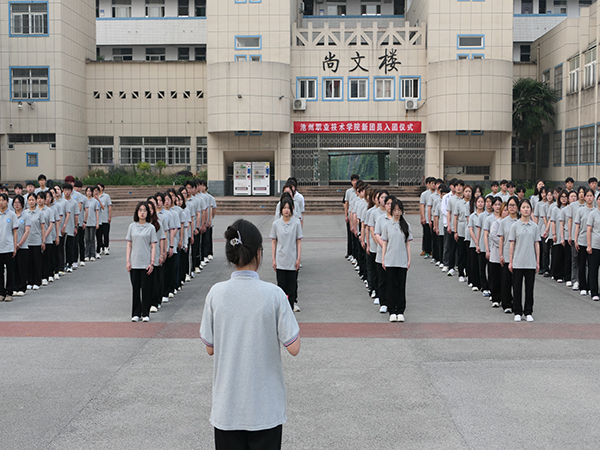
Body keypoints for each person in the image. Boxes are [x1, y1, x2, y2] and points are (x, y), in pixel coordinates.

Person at [200, 219, 300, 450]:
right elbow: (294, 347)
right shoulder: (274, 294)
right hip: (265, 407)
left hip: (228, 406)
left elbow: (209, 347)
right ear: (258, 253)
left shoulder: (216, 294)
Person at [508, 199, 540, 322]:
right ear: (519, 210)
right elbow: (512, 244)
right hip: (518, 261)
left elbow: (537, 244)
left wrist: (537, 261)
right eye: (523, 207)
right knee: (517, 287)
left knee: (529, 288)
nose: (526, 209)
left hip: (530, 261)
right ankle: (517, 311)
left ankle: (528, 311)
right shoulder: (515, 226)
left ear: (531, 210)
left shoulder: (535, 226)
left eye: (528, 207)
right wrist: (510, 261)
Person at [381, 198, 412, 322]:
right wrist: (383, 259)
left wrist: (409, 259)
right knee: (391, 286)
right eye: (395, 210)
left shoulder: (405, 225)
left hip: (402, 260)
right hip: (390, 260)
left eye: (399, 210)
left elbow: (408, 244)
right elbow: (384, 243)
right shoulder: (387, 225)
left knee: (401, 286)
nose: (397, 212)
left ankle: (400, 310)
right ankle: (392, 310)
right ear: (391, 211)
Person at [125, 201, 157, 322]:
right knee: (135, 288)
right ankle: (135, 313)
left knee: (146, 288)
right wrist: (128, 261)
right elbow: (129, 245)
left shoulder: (151, 227)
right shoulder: (132, 226)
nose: (142, 213)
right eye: (140, 210)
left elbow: (153, 246)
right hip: (134, 262)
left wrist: (152, 262)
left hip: (146, 262)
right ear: (137, 212)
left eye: (144, 210)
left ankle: (145, 313)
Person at [270, 196, 303, 311]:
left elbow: (298, 241)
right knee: (281, 286)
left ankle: (291, 307)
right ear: (281, 209)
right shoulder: (276, 224)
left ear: (292, 209)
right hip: (280, 260)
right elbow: (274, 241)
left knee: (292, 287)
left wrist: (298, 258)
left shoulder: (296, 223)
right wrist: (273, 259)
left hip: (292, 260)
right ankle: (281, 309)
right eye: (284, 208)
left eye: (288, 208)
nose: (286, 210)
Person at [498, 196, 520, 313]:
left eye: (514, 205)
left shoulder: (522, 220)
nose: (512, 208)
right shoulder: (503, 222)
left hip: (519, 255)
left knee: (516, 282)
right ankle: (506, 304)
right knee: (506, 281)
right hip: (506, 254)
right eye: (509, 206)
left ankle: (516, 303)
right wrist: (500, 255)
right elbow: (501, 239)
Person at [574, 188, 595, 296]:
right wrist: (576, 240)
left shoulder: (596, 210)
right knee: (581, 264)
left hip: (594, 242)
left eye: (591, 196)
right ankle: (583, 286)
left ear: (594, 198)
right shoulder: (580, 210)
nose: (589, 198)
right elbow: (577, 226)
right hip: (582, 240)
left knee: (592, 266)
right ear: (584, 197)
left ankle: (591, 286)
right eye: (588, 196)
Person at [0, 193, 18, 302]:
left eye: (3, 200)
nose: (1, 202)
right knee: (0, 271)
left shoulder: (12, 215)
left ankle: (9, 292)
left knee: (10, 271)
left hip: (8, 246)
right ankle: (1, 292)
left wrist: (15, 246)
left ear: (7, 201)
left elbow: (15, 232)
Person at [24, 193, 44, 290]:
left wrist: (43, 240)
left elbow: (42, 228)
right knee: (29, 262)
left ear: (36, 201)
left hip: (36, 240)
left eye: (33, 200)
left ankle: (37, 281)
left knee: (37, 261)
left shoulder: (39, 213)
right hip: (27, 241)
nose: (31, 202)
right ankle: (30, 281)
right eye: (30, 200)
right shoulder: (25, 213)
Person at [453, 184, 471, 282]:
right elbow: (455, 218)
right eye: (466, 191)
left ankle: (468, 272)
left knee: (469, 254)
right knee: (461, 253)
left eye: (469, 191)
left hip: (470, 231)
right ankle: (460, 273)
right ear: (463, 193)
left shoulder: (473, 203)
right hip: (461, 229)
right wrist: (455, 231)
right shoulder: (459, 203)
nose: (468, 193)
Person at [12, 195, 30, 298]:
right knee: (13, 267)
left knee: (22, 267)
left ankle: (22, 287)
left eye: (18, 202)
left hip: (22, 246)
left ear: (22, 204)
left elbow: (26, 232)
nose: (16, 204)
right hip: (12, 246)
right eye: (15, 203)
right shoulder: (11, 215)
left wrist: (19, 244)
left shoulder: (26, 216)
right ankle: (14, 286)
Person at [468, 195, 485, 292]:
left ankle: (483, 284)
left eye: (482, 202)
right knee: (474, 264)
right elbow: (471, 230)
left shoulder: (486, 215)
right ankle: (475, 283)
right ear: (475, 203)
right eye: (479, 202)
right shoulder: (472, 216)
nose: (480, 204)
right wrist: (476, 241)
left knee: (481, 265)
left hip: (483, 243)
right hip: (473, 243)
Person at [585, 195, 600, 301]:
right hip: (595, 245)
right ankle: (594, 291)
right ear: (597, 200)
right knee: (593, 269)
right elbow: (589, 230)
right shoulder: (593, 213)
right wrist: (589, 245)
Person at [344, 174, 359, 260]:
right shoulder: (348, 191)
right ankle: (350, 252)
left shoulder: (360, 191)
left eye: (356, 180)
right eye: (353, 180)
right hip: (350, 215)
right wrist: (346, 215)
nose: (355, 182)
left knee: (356, 235)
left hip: (357, 215)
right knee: (350, 234)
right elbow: (346, 203)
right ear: (351, 182)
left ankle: (354, 253)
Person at [83, 186, 100, 262]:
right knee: (86, 239)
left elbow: (96, 212)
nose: (89, 192)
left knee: (92, 239)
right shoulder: (84, 200)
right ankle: (86, 254)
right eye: (87, 191)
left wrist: (97, 222)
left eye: (90, 191)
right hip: (85, 222)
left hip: (92, 222)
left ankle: (92, 254)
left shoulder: (95, 201)